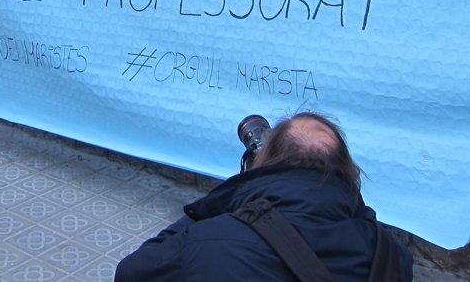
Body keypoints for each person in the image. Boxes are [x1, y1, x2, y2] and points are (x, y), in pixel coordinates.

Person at [115, 111, 413, 281]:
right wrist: (356, 205)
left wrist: (220, 202)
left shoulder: (206, 240)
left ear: (266, 166)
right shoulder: (391, 256)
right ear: (346, 174)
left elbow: (130, 273)